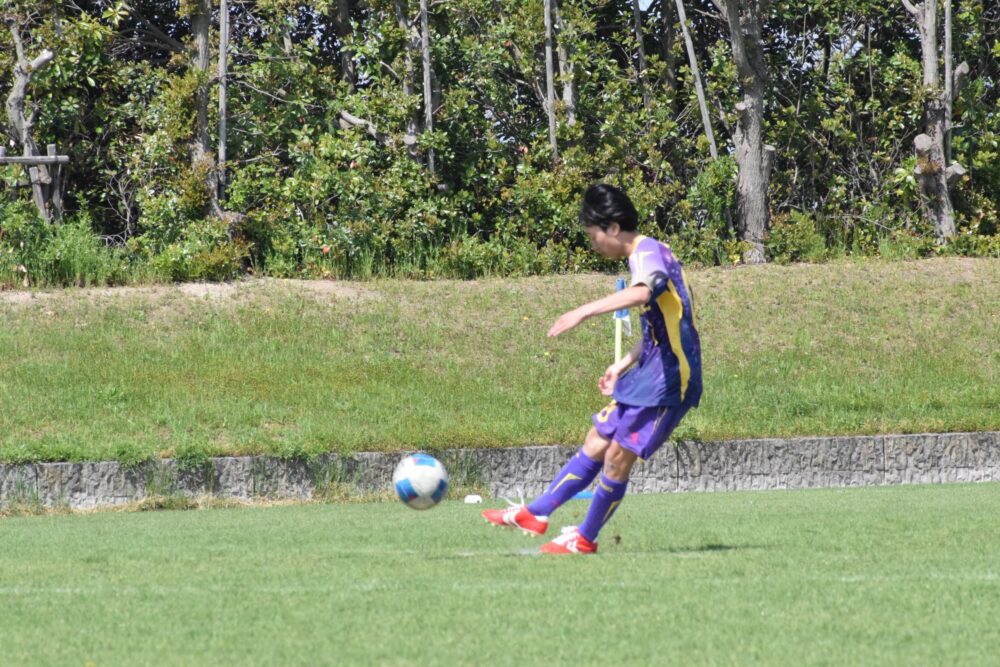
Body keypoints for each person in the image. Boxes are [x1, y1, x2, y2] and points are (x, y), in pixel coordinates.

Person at [483, 183, 703, 554]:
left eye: (593, 236)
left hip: (668, 380)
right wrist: (622, 363)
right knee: (597, 440)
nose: (593, 245)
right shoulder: (646, 255)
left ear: (613, 227)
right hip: (650, 370)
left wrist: (582, 311)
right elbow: (663, 327)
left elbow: (643, 293)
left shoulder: (648, 252)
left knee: (617, 457)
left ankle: (585, 538)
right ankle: (536, 513)